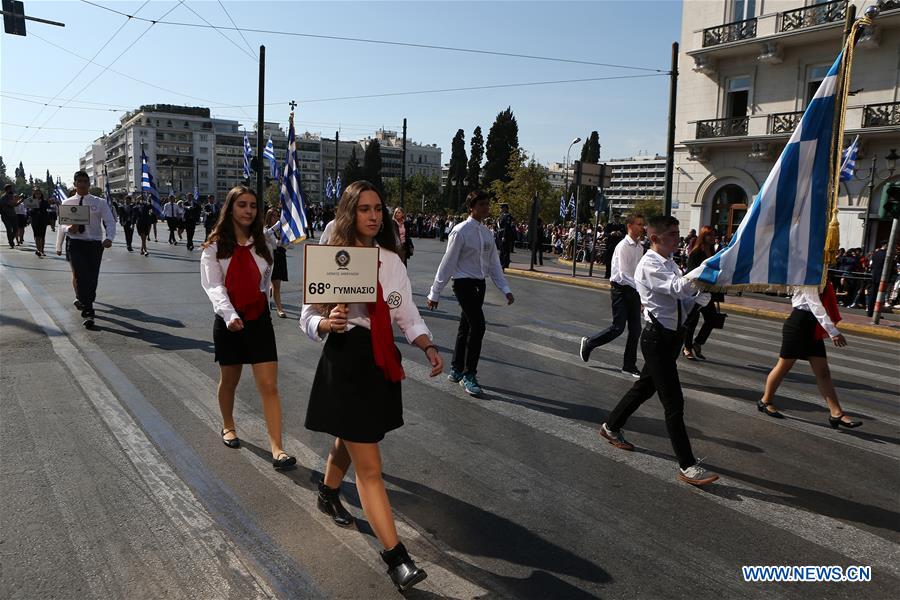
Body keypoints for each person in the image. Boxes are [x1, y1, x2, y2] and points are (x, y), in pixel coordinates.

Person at [300, 181, 441, 592]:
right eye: (364, 209)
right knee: (370, 465)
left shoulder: (392, 261)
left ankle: (327, 492)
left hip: (379, 360)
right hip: (345, 357)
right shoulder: (333, 257)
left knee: (353, 435)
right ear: (350, 213)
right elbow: (307, 316)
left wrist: (427, 345)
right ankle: (397, 559)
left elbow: (406, 314)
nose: (374, 216)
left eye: (378, 208)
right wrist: (326, 323)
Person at [598, 215, 719, 486]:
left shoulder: (670, 263)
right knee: (674, 403)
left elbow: (680, 303)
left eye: (677, 233)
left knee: (644, 388)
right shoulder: (649, 265)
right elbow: (677, 289)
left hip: (670, 338)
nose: (678, 239)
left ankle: (611, 426)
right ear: (655, 238)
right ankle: (687, 465)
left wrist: (697, 300)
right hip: (657, 340)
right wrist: (704, 270)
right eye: (672, 234)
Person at [200, 185, 297, 469]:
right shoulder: (214, 246)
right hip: (229, 321)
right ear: (230, 208)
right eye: (242, 204)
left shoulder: (263, 242)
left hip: (259, 320)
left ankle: (277, 448)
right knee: (229, 380)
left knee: (269, 385)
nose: (248, 210)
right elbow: (213, 286)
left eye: (253, 205)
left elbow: (265, 281)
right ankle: (228, 425)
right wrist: (230, 315)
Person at [427, 190, 515, 397]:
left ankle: (457, 368)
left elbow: (494, 265)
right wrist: (435, 293)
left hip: (479, 284)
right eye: (481, 204)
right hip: (463, 283)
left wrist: (505, 289)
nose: (486, 208)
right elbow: (447, 264)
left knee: (466, 325)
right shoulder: (460, 231)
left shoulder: (487, 233)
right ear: (471, 207)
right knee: (478, 325)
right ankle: (469, 374)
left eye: (487, 204)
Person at [757, 284, 862, 429]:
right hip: (798, 326)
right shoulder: (809, 277)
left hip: (813, 328)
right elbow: (815, 305)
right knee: (783, 367)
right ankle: (765, 401)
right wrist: (833, 332)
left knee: (823, 372)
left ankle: (836, 413)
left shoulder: (823, 278)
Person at [579, 214, 646, 377]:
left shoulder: (640, 247)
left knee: (636, 330)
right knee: (618, 328)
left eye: (642, 224)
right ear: (629, 226)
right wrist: (641, 289)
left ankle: (629, 365)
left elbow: (638, 272)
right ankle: (589, 343)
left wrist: (642, 290)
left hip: (634, 290)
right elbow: (623, 274)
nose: (642, 227)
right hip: (620, 290)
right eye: (639, 224)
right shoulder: (623, 246)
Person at [54, 171, 116, 329]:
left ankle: (87, 300)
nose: (82, 184)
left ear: (89, 184)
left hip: (94, 244)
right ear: (74, 184)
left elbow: (109, 221)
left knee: (92, 277)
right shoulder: (67, 202)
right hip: (76, 244)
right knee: (81, 276)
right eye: (79, 181)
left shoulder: (99, 202)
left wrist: (109, 237)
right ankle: (88, 310)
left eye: (85, 181)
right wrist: (68, 230)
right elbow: (62, 225)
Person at [682, 225, 725, 360]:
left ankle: (698, 343)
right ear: (703, 236)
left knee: (711, 319)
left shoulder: (713, 252)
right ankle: (687, 348)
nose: (712, 237)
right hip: (695, 292)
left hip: (708, 292)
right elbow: (692, 273)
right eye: (709, 235)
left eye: (713, 235)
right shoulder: (696, 252)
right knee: (692, 321)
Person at [264, 204, 288, 318]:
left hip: (280, 257)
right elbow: (266, 235)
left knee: (276, 285)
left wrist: (286, 242)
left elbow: (288, 245)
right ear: (269, 216)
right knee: (273, 284)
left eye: (278, 215)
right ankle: (280, 308)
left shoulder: (280, 230)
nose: (277, 218)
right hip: (270, 258)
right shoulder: (266, 229)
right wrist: (276, 227)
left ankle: (276, 304)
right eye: (274, 216)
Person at [28, 188, 51, 257]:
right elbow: (29, 211)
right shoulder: (31, 201)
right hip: (34, 220)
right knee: (36, 235)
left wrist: (41, 203)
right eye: (36, 194)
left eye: (39, 193)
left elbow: (48, 207)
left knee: (42, 236)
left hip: (43, 220)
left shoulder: (44, 201)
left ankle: (42, 250)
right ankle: (38, 250)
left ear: (41, 194)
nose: (38, 195)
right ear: (34, 194)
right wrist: (32, 207)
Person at [498, 203, 516, 270]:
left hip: (505, 235)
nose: (500, 209)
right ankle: (501, 263)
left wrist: (504, 236)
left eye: (501, 207)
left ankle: (504, 264)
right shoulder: (502, 215)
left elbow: (507, 227)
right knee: (502, 249)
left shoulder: (508, 216)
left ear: (505, 208)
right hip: (501, 233)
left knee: (505, 250)